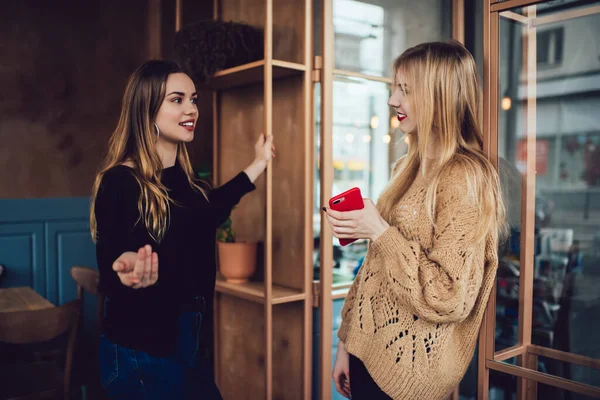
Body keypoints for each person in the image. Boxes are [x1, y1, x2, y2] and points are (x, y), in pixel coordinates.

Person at [325, 40, 506, 399]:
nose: (393, 100)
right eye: (395, 88)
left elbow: (449, 295)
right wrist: (347, 344)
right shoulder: (405, 168)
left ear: (440, 96)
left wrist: (378, 229)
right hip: (367, 355)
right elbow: (373, 272)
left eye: (405, 90)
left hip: (408, 377)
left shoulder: (466, 177)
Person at [89, 60, 274, 399]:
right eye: (177, 100)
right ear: (147, 110)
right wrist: (127, 269)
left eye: (193, 99)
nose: (191, 109)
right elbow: (112, 258)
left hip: (185, 342)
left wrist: (259, 163)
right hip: (139, 351)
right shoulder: (120, 181)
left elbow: (210, 211)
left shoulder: (188, 186)